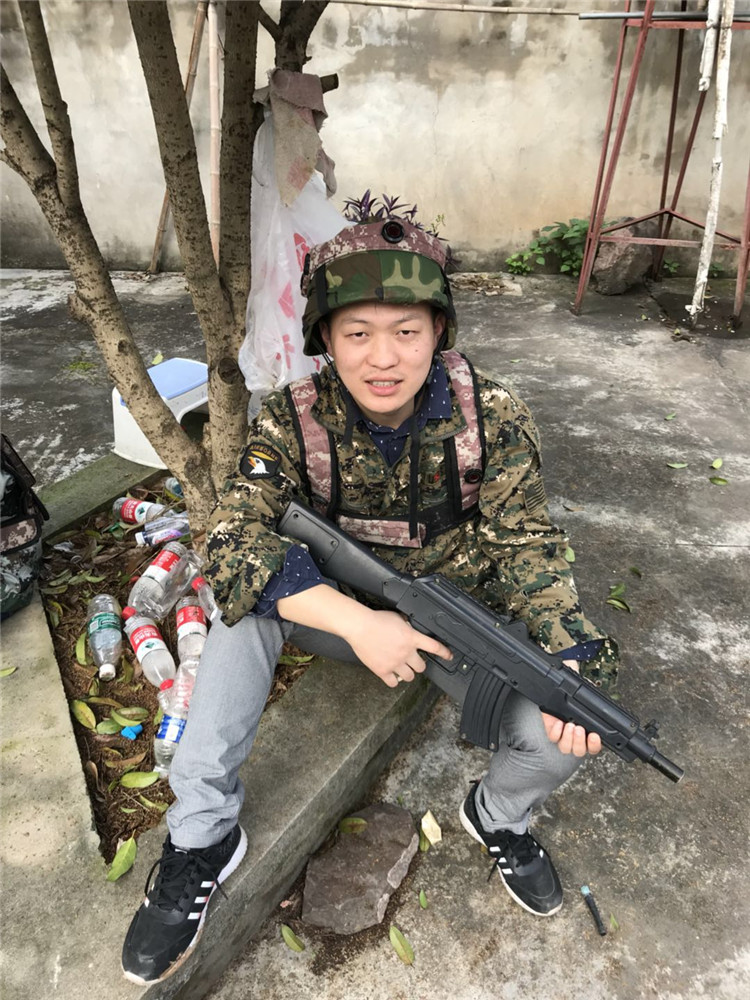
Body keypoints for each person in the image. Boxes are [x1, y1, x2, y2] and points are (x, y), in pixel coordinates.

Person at [121, 219, 619, 985]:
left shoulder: (492, 416)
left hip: (456, 623)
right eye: (357, 333)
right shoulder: (292, 418)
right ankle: (201, 837)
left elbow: (529, 545)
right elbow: (231, 535)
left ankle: (497, 817)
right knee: (239, 606)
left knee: (564, 732)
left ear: (439, 331)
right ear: (326, 336)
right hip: (335, 612)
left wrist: (570, 656)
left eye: (406, 332)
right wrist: (357, 622)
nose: (383, 358)